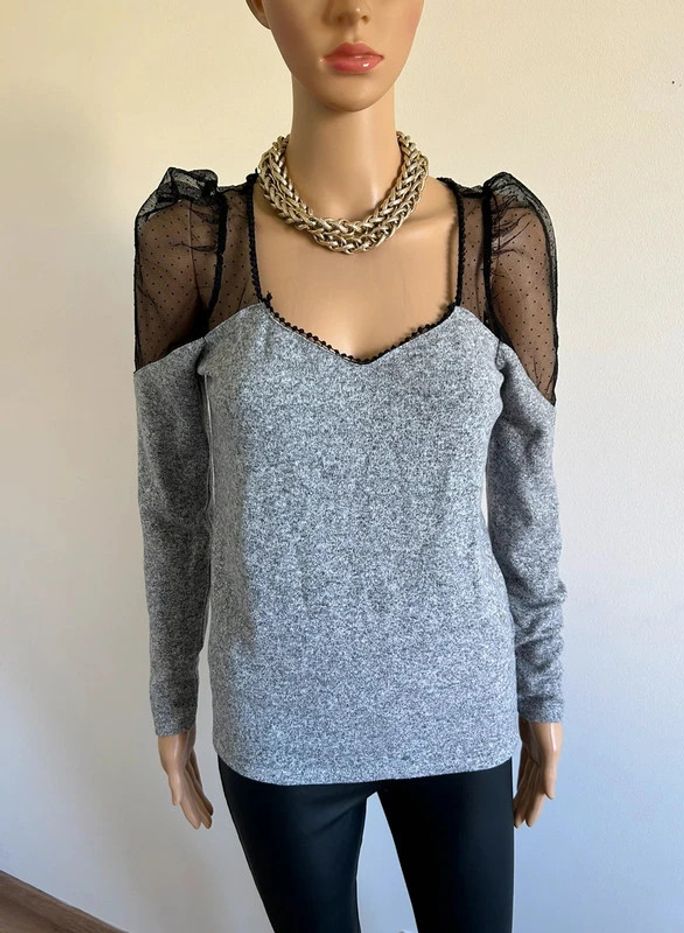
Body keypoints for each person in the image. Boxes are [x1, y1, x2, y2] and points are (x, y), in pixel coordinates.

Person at [132, 1, 567, 930]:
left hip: (457, 708)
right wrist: (172, 696)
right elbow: (173, 504)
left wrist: (543, 685)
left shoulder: (500, 241)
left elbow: (527, 493)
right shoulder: (196, 247)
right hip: (278, 718)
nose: (354, 8)